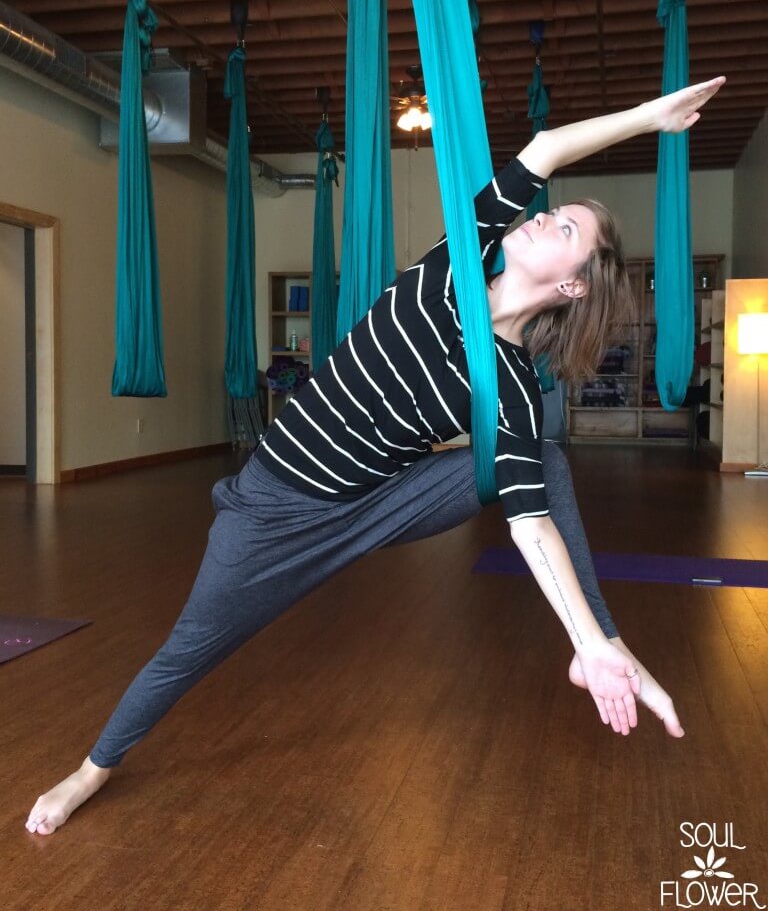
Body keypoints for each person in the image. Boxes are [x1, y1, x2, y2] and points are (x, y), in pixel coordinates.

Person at [25, 75, 725, 836]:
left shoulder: (514, 392)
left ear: (572, 285)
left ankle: (602, 645)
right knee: (189, 651)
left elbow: (530, 525)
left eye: (564, 231)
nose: (543, 219)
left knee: (544, 462)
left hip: (375, 504)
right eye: (551, 212)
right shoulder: (449, 270)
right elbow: (545, 150)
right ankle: (90, 771)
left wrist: (590, 641)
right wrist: (650, 116)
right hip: (274, 506)